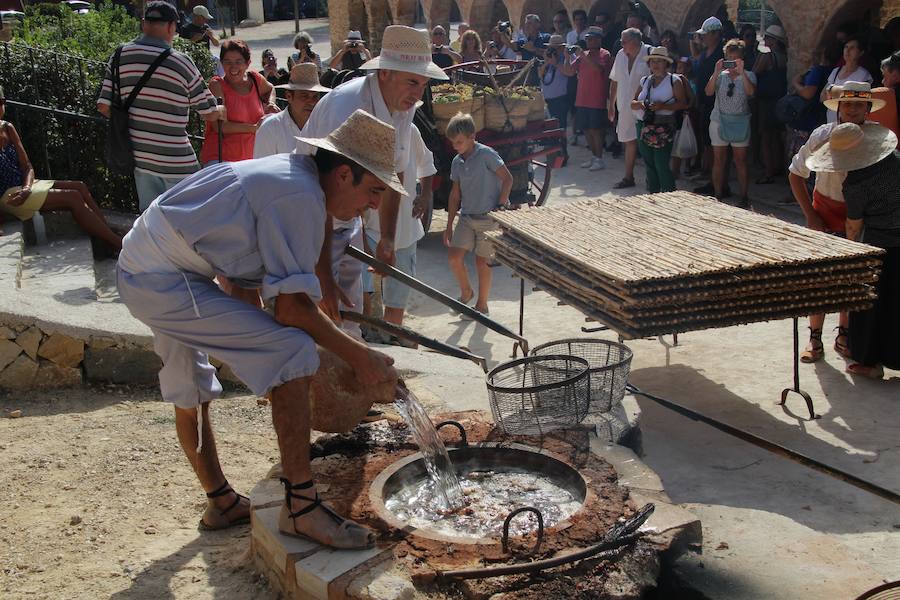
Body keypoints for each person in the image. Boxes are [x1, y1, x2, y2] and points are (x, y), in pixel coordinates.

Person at [116, 109, 400, 548]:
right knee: (291, 352)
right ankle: (302, 509)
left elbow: (243, 277)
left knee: (190, 382)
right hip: (161, 275)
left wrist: (274, 347)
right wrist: (360, 357)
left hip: (150, 255)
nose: (376, 204)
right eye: (375, 190)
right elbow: (291, 310)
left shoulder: (296, 177)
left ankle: (221, 501)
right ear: (344, 175)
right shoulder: (299, 197)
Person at [300, 25, 448, 334]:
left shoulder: (402, 107)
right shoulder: (349, 109)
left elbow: (394, 171)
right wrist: (324, 273)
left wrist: (388, 238)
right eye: (411, 81)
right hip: (311, 217)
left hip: (348, 220)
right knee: (317, 318)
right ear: (385, 74)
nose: (417, 93)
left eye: (423, 84)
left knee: (348, 319)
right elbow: (322, 194)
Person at [97, 1, 225, 212]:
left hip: (140, 157)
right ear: (171, 27)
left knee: (151, 221)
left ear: (143, 23)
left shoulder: (119, 56)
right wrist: (221, 109)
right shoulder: (181, 63)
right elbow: (210, 113)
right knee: (187, 220)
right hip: (176, 160)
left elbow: (104, 106)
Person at [788, 81, 880, 363]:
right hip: (824, 213)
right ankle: (815, 338)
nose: (852, 110)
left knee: (852, 281)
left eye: (859, 105)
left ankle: (844, 335)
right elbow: (796, 175)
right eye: (848, 104)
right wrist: (811, 216)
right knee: (821, 281)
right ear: (839, 107)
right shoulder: (822, 137)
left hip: (862, 218)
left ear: (867, 109)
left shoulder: (879, 141)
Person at [806, 122, 900, 379]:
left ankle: (870, 363)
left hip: (881, 244)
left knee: (870, 308)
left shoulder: (856, 184)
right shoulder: (896, 160)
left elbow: (853, 227)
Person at [0, 97, 121, 252]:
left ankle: (108, 237)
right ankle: (119, 244)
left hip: (24, 186)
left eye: (2, 101)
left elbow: (27, 166)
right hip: (8, 195)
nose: (2, 106)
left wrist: (26, 188)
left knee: (80, 187)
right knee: (73, 197)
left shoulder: (7, 127)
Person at [443, 113, 512, 316]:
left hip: (488, 218)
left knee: (482, 263)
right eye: (453, 143)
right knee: (454, 259)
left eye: (459, 142)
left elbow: (507, 178)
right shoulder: (457, 162)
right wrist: (448, 226)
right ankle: (466, 292)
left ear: (472, 137)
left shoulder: (487, 154)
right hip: (466, 217)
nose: (455, 146)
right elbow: (455, 195)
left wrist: (501, 205)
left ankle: (482, 306)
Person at [199, 40, 279, 166]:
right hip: (221, 159)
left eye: (238, 61)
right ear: (221, 63)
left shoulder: (255, 79)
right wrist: (254, 129)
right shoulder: (217, 85)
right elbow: (220, 126)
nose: (233, 67)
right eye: (227, 62)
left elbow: (270, 89)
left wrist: (271, 103)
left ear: (248, 63)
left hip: (251, 158)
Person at [705, 38, 756, 207]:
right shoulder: (720, 76)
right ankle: (718, 194)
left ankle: (744, 196)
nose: (733, 62)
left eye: (736, 58)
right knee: (719, 159)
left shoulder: (749, 75)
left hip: (740, 121)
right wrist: (716, 72)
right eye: (730, 58)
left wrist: (741, 73)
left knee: (740, 160)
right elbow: (708, 92)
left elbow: (750, 93)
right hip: (719, 120)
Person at [631, 47, 689, 193]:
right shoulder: (645, 80)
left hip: (665, 125)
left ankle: (669, 195)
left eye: (659, 61)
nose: (655, 64)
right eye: (653, 61)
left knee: (661, 164)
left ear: (666, 64)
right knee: (649, 163)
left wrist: (663, 106)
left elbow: (682, 103)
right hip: (644, 124)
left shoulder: (674, 80)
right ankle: (653, 194)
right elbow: (633, 102)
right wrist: (642, 105)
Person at [253, 64, 329, 158]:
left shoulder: (324, 126)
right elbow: (261, 169)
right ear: (289, 96)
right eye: (304, 96)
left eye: (315, 96)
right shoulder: (270, 128)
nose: (312, 102)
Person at [609, 27, 651, 188]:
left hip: (644, 107)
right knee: (629, 141)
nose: (621, 44)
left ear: (634, 42)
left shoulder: (649, 53)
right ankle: (628, 177)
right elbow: (614, 81)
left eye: (623, 41)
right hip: (624, 106)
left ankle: (651, 178)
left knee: (648, 143)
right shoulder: (620, 55)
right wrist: (611, 105)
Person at [566, 27, 613, 171]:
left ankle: (599, 159)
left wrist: (582, 55)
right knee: (586, 129)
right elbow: (569, 72)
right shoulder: (583, 55)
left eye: (592, 39)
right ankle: (594, 157)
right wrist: (567, 57)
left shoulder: (604, 53)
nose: (589, 41)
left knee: (596, 130)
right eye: (587, 39)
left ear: (599, 39)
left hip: (597, 99)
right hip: (582, 99)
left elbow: (599, 69)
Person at [691, 17, 725, 195]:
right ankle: (712, 180)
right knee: (708, 143)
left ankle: (718, 183)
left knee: (716, 146)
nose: (703, 38)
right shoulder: (706, 52)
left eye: (706, 35)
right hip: (704, 103)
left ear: (715, 34)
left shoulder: (722, 53)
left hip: (716, 104)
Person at [753, 25, 788, 184]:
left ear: (773, 41)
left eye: (767, 37)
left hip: (767, 101)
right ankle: (778, 166)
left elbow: (755, 72)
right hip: (780, 99)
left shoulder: (768, 57)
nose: (765, 39)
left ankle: (768, 171)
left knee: (766, 136)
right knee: (777, 136)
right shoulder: (784, 57)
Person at [822, 37, 873, 123]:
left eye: (852, 48)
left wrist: (834, 93)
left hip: (852, 121)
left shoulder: (864, 75)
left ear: (861, 53)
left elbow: (861, 100)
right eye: (846, 47)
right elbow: (822, 96)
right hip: (832, 121)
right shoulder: (835, 71)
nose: (847, 50)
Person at [540, 35, 571, 163]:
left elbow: (569, 72)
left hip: (560, 99)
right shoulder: (549, 62)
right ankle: (553, 155)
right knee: (550, 130)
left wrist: (556, 63)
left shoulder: (565, 60)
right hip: (547, 100)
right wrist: (547, 62)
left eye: (555, 48)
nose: (553, 51)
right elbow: (540, 75)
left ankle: (563, 155)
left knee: (560, 129)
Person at [870, 52, 900, 144]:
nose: (882, 82)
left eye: (884, 76)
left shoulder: (888, 94)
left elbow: (856, 97)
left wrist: (832, 88)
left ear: (895, 75)